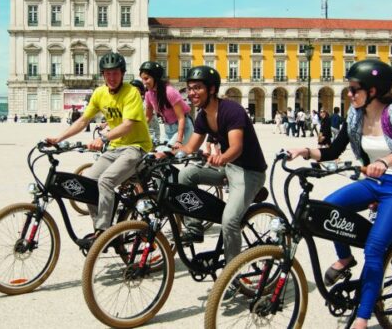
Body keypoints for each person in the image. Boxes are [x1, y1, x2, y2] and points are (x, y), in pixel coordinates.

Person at [285, 60, 392, 329]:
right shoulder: (355, 115)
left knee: (375, 249)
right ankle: (345, 259)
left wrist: (384, 162)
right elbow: (333, 150)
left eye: (354, 89)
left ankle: (362, 319)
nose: (349, 94)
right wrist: (303, 151)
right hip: (372, 182)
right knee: (327, 211)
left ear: (373, 90)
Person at [46, 52, 152, 249]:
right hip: (114, 148)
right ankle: (100, 228)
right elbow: (83, 120)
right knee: (88, 182)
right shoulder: (99, 93)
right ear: (103, 74)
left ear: (122, 73)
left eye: (116, 73)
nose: (112, 77)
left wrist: (102, 138)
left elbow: (128, 125)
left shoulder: (131, 93)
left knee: (106, 181)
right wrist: (58, 139)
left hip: (136, 147)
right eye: (108, 73)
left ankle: (104, 233)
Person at [173, 66, 267, 264]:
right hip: (228, 168)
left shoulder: (232, 111)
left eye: (197, 88)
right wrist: (166, 154)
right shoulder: (202, 116)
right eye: (190, 88)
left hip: (249, 172)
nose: (192, 93)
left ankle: (232, 272)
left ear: (212, 89)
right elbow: (190, 147)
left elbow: (236, 148)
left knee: (229, 221)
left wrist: (221, 158)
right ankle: (194, 227)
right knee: (185, 175)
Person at [139, 61, 193, 146]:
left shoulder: (169, 92)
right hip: (168, 128)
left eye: (146, 78)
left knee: (170, 152)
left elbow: (181, 118)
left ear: (156, 77)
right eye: (142, 79)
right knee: (160, 151)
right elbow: (148, 117)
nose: (144, 82)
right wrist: (137, 132)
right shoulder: (148, 94)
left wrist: (179, 141)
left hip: (183, 127)